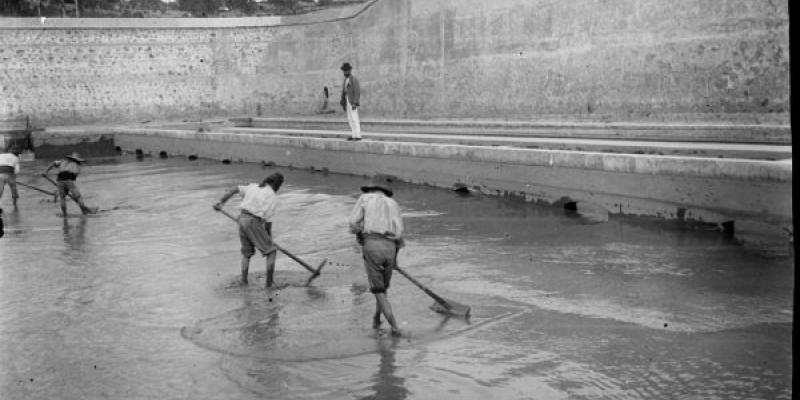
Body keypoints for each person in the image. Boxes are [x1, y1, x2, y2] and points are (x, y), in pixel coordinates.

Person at [349, 174, 404, 336]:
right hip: (391, 248)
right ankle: (376, 318)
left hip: (372, 244)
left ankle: (395, 327)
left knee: (378, 290)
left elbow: (352, 223)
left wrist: (359, 234)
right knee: (383, 289)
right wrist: (395, 261)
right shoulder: (393, 203)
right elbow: (399, 235)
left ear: (371, 187)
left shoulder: (365, 198)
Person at [214, 172, 284, 287]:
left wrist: (221, 202)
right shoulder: (272, 197)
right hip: (253, 221)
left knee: (247, 254)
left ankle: (244, 281)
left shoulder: (253, 187)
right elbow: (268, 225)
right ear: (277, 185)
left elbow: (234, 189)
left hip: (242, 219)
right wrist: (269, 241)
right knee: (271, 252)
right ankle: (269, 284)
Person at [339, 62, 362, 141]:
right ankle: (353, 135)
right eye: (344, 71)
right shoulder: (346, 80)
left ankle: (358, 135)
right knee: (350, 118)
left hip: (352, 102)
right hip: (347, 101)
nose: (345, 72)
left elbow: (357, 91)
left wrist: (355, 103)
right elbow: (344, 91)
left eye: (346, 70)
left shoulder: (354, 79)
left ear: (349, 71)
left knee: (354, 118)